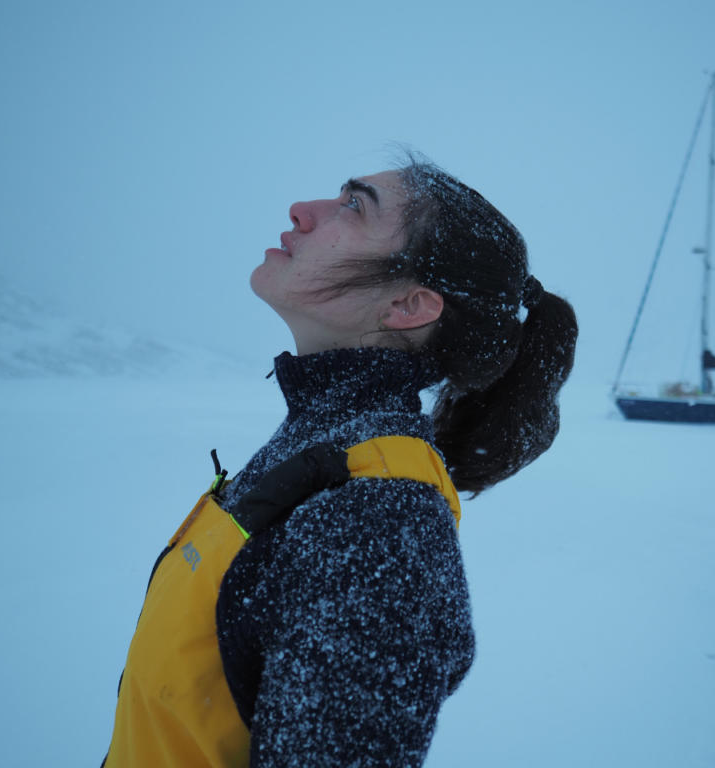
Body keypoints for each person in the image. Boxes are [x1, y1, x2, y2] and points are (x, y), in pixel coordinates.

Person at [103, 154, 578, 767]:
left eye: (355, 206)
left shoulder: (380, 522)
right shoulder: (322, 443)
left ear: (408, 305)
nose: (303, 211)